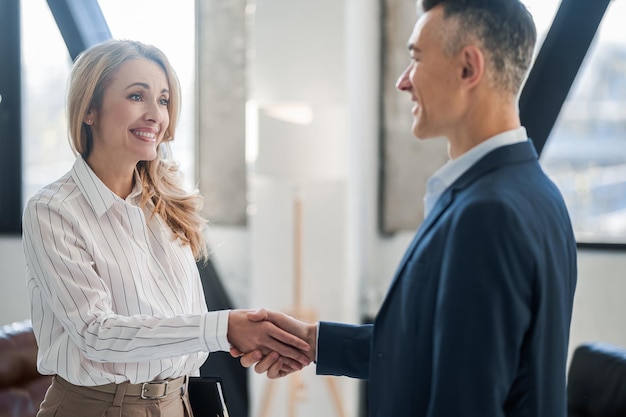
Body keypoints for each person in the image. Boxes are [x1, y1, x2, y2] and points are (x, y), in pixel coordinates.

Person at [234, 0, 578, 416]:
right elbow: (437, 348)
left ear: (469, 68)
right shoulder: (537, 192)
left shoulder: (486, 215)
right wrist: (314, 341)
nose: (403, 81)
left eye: (415, 58)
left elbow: (465, 401)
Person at [21, 39, 310, 417]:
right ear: (89, 109)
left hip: (179, 402)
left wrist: (259, 340)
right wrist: (224, 328)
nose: (156, 114)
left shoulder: (167, 202)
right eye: (136, 96)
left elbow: (181, 323)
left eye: (163, 100)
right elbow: (96, 334)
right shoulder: (52, 211)